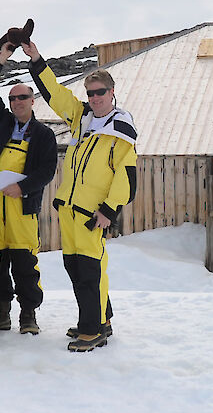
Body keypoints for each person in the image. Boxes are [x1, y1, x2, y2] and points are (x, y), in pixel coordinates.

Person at [27, 40, 139, 352]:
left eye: (100, 92)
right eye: (89, 93)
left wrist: (108, 210)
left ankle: (93, 330)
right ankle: (100, 317)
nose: (94, 98)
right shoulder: (83, 119)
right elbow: (54, 94)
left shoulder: (120, 128)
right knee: (76, 268)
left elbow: (126, 179)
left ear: (112, 92)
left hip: (93, 215)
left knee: (90, 269)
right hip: (71, 210)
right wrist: (36, 59)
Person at [0, 44, 59, 333]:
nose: (17, 102)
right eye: (13, 98)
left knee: (25, 265)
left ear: (32, 100)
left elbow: (47, 170)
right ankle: (0, 311)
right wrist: (3, 56)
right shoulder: (1, 123)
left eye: (23, 97)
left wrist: (23, 188)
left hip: (21, 210)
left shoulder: (43, 134)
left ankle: (28, 314)